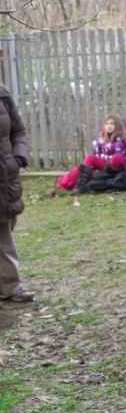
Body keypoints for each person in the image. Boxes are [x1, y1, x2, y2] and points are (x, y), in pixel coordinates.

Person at [0, 85, 33, 304]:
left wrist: (18, 158)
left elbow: (18, 131)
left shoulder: (2, 94)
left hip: (4, 176)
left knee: (4, 231)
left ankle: (10, 288)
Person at [62, 114, 126, 196]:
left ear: (117, 125)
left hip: (120, 166)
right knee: (90, 157)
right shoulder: (101, 138)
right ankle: (80, 186)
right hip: (105, 166)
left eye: (112, 124)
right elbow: (97, 154)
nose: (109, 126)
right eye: (107, 124)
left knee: (117, 157)